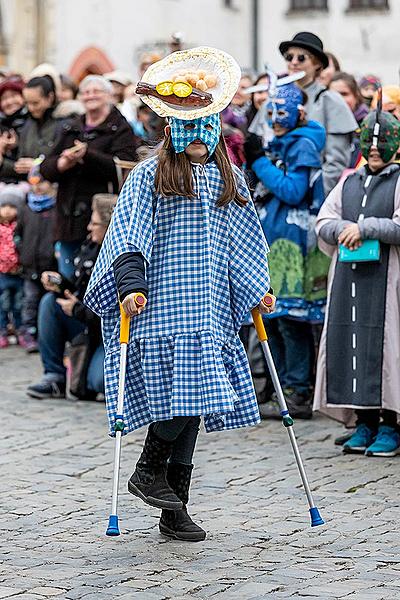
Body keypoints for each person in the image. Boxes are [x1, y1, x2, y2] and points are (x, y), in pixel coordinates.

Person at [85, 47, 274, 542]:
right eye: (189, 131)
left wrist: (258, 290)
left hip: (207, 307)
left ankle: (174, 506)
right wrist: (130, 285)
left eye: (207, 130)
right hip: (161, 306)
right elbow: (128, 234)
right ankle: (149, 470)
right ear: (174, 130)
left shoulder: (224, 179)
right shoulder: (151, 178)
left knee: (195, 397)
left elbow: (242, 239)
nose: (199, 141)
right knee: (181, 397)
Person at [314, 109, 400, 457]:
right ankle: (364, 422)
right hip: (347, 280)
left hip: (387, 282)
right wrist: (341, 230)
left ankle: (391, 425)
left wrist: (366, 228)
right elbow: (324, 220)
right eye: (370, 141)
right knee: (350, 344)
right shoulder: (349, 181)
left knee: (387, 350)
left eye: (382, 142)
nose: (375, 149)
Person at [244, 81, 326, 419]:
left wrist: (259, 161)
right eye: (271, 112)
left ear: (298, 114)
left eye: (282, 113)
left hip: (292, 245)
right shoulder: (276, 143)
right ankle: (278, 390)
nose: (276, 119)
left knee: (291, 320)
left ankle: (297, 392)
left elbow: (293, 191)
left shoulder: (303, 145)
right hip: (270, 242)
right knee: (271, 319)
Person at [40, 75, 140, 279]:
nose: (90, 96)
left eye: (96, 91)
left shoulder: (120, 128)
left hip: (102, 220)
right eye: (86, 92)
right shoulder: (71, 127)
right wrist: (63, 163)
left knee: (97, 279)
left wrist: (88, 155)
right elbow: (45, 168)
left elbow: (125, 168)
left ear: (109, 95)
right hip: (68, 219)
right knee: (68, 280)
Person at [27, 193, 117, 399]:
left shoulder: (122, 258)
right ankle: (54, 376)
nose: (88, 228)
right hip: (86, 323)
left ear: (109, 226)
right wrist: (61, 284)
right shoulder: (90, 247)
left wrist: (77, 309)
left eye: (94, 223)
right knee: (50, 302)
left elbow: (113, 315)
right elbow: (79, 289)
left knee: (99, 381)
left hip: (110, 334)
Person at [279, 32, 357, 195]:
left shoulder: (330, 100)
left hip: (312, 194)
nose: (293, 62)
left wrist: (316, 197)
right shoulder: (275, 98)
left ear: (316, 64)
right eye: (289, 57)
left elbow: (336, 161)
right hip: (275, 188)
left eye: (301, 58)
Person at [13, 175, 58, 352]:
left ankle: (46, 334)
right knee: (30, 300)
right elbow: (18, 233)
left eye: (43, 182)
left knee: (46, 301)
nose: (38, 187)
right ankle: (29, 332)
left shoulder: (55, 208)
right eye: (35, 183)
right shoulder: (26, 208)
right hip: (29, 265)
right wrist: (21, 249)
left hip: (50, 265)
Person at [0, 76, 63, 183]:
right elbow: (21, 165)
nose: (31, 108)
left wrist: (37, 165)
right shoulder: (29, 124)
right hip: (29, 185)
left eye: (35, 103)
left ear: (50, 98)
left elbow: (62, 162)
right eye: (27, 103)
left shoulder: (64, 123)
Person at [0, 190, 23, 347]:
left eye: (12, 206)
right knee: (3, 303)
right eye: (4, 206)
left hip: (19, 273)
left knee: (19, 304)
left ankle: (20, 330)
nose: (7, 210)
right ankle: (2, 330)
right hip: (2, 273)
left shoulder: (20, 226)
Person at [0, 77, 29, 185]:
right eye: (4, 98)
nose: (10, 101)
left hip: (25, 182)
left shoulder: (32, 120)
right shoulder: (2, 125)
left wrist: (17, 146)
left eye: (14, 95)